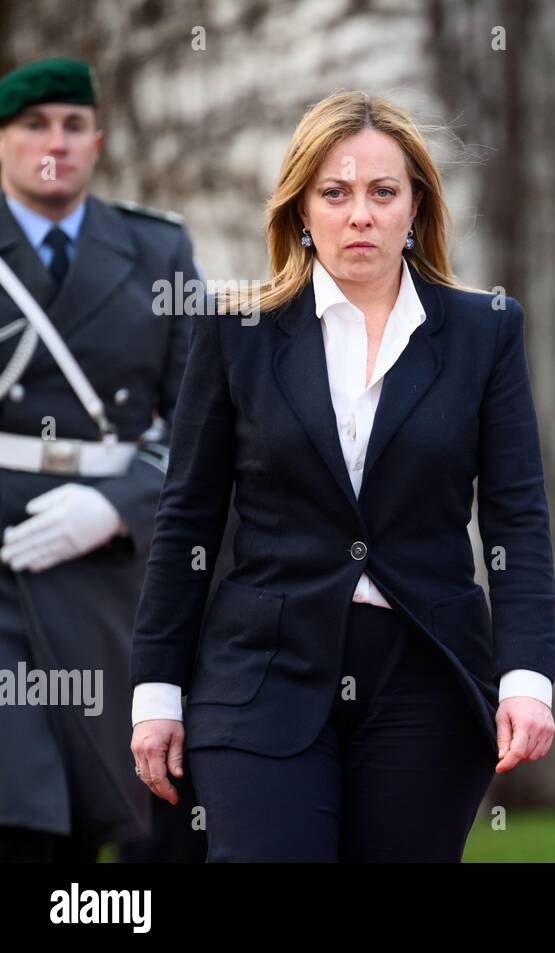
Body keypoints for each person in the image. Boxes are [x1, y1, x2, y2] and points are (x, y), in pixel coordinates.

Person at [128, 91, 555, 862]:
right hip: (260, 675)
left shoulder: (485, 331)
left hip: (426, 678)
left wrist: (527, 674)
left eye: (382, 192)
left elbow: (516, 516)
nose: (359, 214)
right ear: (301, 209)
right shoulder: (237, 333)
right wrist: (155, 691)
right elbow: (185, 520)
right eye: (335, 192)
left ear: (414, 208)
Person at [0, 57, 204, 862]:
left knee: (104, 800)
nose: (56, 142)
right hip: (1, 551)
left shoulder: (157, 251)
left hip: (113, 567)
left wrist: (118, 505)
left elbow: (200, 421)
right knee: (22, 803)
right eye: (33, 125)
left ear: (98, 140)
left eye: (73, 125)